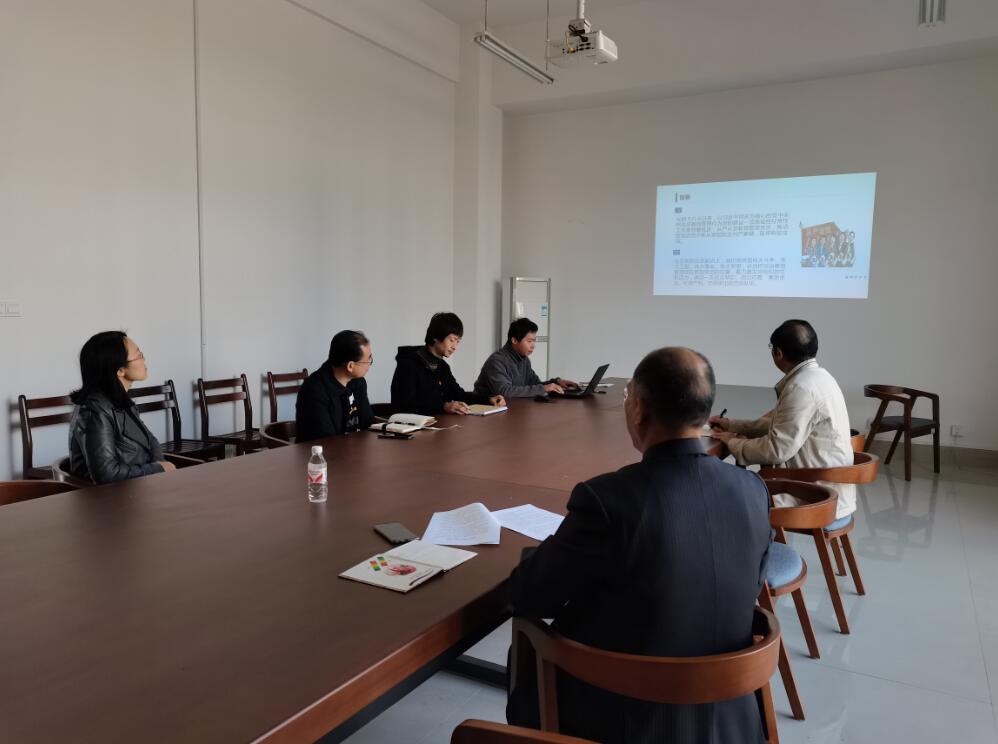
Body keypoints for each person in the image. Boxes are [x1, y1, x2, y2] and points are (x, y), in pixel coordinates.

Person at [506, 347, 772, 743]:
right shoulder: (752, 490)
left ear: (639, 409)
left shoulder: (607, 500)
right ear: (704, 411)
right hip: (732, 717)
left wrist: (539, 556)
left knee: (526, 638)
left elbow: (530, 597)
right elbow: (750, 585)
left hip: (625, 718)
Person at [710, 319, 855, 517]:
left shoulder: (801, 387)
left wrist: (733, 442)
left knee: (719, 493)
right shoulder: (821, 377)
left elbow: (776, 449)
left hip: (814, 496)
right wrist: (733, 425)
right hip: (826, 490)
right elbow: (782, 426)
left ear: (778, 353)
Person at [68, 331, 176, 483]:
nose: (144, 359)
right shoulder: (94, 410)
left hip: (138, 488)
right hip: (113, 496)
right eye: (139, 355)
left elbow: (150, 441)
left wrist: (161, 466)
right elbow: (106, 475)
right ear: (120, 370)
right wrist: (158, 469)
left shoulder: (120, 401)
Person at [390, 312, 506, 415]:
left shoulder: (442, 367)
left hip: (437, 425)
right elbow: (405, 404)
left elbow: (459, 395)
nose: (455, 347)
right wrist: (443, 406)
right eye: (451, 340)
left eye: (458, 341)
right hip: (411, 428)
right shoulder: (409, 364)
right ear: (436, 337)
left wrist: (488, 400)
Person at [296, 330, 375, 440]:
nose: (370, 363)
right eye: (368, 360)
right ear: (350, 366)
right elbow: (327, 441)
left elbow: (368, 423)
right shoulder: (314, 391)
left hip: (354, 448)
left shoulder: (358, 382)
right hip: (324, 449)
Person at [473, 318, 577, 399]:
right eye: (529, 341)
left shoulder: (524, 359)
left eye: (534, 341)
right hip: (488, 411)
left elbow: (535, 384)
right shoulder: (496, 361)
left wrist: (556, 382)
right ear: (514, 340)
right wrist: (544, 388)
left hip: (513, 408)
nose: (533, 346)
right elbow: (504, 392)